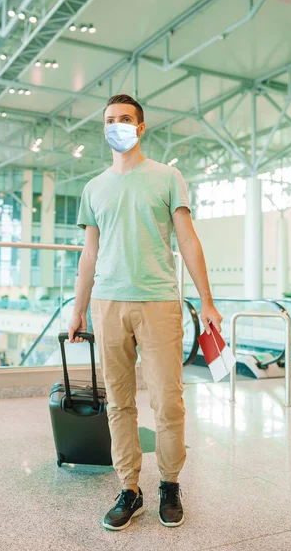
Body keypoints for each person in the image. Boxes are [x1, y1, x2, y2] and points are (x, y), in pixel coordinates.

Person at [68, 94, 222, 531]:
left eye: (125, 119)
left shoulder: (167, 177)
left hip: (158, 302)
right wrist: (78, 309)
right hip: (108, 303)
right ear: (104, 129)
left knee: (167, 401)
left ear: (140, 127)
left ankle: (169, 484)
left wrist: (206, 300)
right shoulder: (94, 187)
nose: (117, 125)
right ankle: (129, 488)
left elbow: (188, 240)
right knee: (118, 402)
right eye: (110, 120)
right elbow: (89, 253)